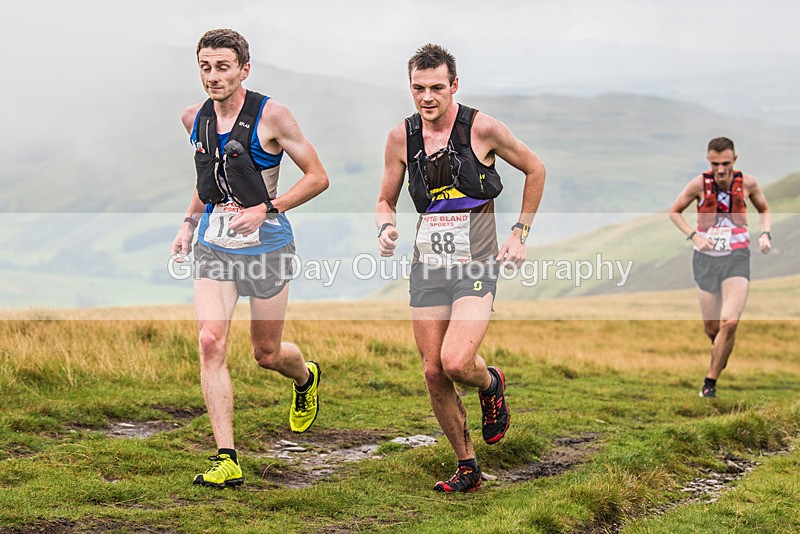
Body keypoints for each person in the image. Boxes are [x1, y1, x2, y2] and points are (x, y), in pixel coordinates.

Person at [375, 44, 546, 492]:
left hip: (477, 262)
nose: (427, 97)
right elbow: (384, 201)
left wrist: (519, 233)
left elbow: (536, 168)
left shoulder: (482, 128)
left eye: (436, 87)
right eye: (418, 88)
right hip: (427, 264)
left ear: (454, 85)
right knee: (432, 371)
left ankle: (490, 384)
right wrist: (386, 228)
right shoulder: (401, 138)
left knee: (456, 361)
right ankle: (467, 466)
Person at [171, 29, 329, 488]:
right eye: (205, 67)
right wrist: (187, 225)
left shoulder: (272, 116)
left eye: (223, 67)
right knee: (210, 342)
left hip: (267, 247)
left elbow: (318, 177)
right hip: (214, 245)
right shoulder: (193, 119)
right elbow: (208, 180)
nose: (213, 76)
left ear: (244, 69)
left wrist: (266, 208)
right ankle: (227, 457)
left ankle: (305, 377)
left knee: (266, 353)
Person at [669, 137, 772, 398]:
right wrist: (695, 236)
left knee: (730, 321)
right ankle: (719, 356)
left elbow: (764, 208)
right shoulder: (698, 184)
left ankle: (709, 382)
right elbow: (674, 212)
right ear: (709, 161)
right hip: (705, 260)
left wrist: (765, 234)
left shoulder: (748, 183)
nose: (721, 169)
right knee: (713, 329)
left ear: (735, 160)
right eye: (716, 164)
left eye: (726, 163)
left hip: (736, 257)